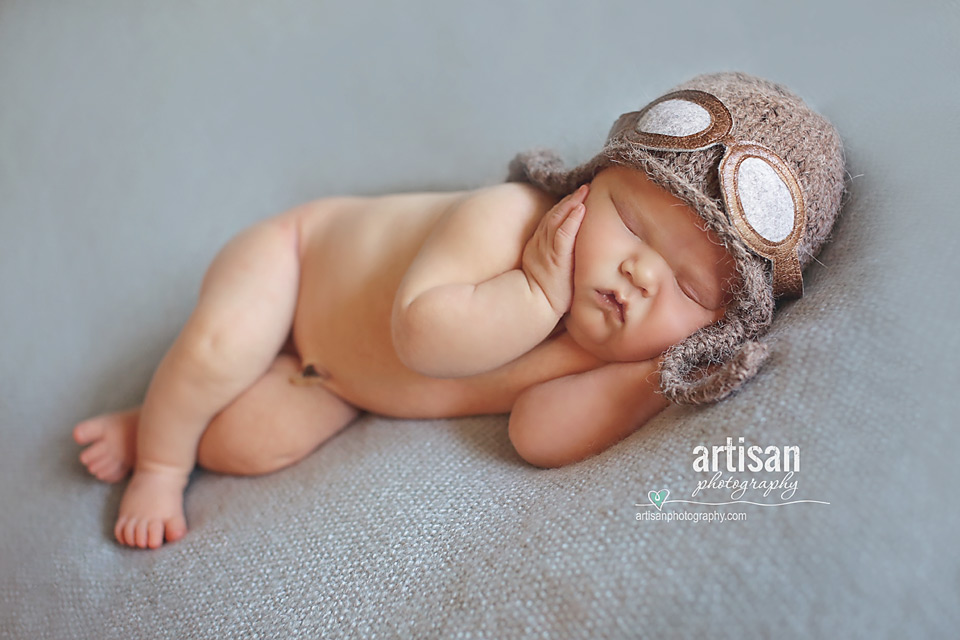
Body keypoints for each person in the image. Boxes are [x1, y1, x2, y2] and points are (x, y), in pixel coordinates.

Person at [72, 71, 846, 549]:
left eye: (688, 291)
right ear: (586, 185)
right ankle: (162, 455)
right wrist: (538, 293)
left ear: (716, 325)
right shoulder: (508, 217)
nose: (639, 274)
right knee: (220, 348)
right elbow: (422, 337)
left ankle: (160, 423)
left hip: (336, 379)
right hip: (298, 262)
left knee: (250, 442)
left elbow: (536, 433)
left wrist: (646, 378)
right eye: (633, 225)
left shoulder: (612, 352)